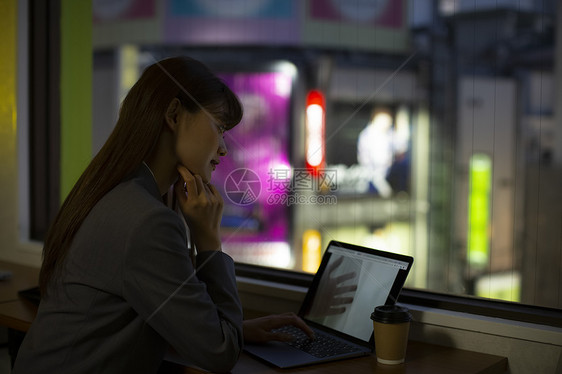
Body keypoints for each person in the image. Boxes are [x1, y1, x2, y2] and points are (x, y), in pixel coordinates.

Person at [13, 56, 312, 374]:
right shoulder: (148, 221)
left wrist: (238, 328)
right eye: (220, 127)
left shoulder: (116, 192)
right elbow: (219, 353)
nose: (224, 148)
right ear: (173, 115)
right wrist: (209, 239)